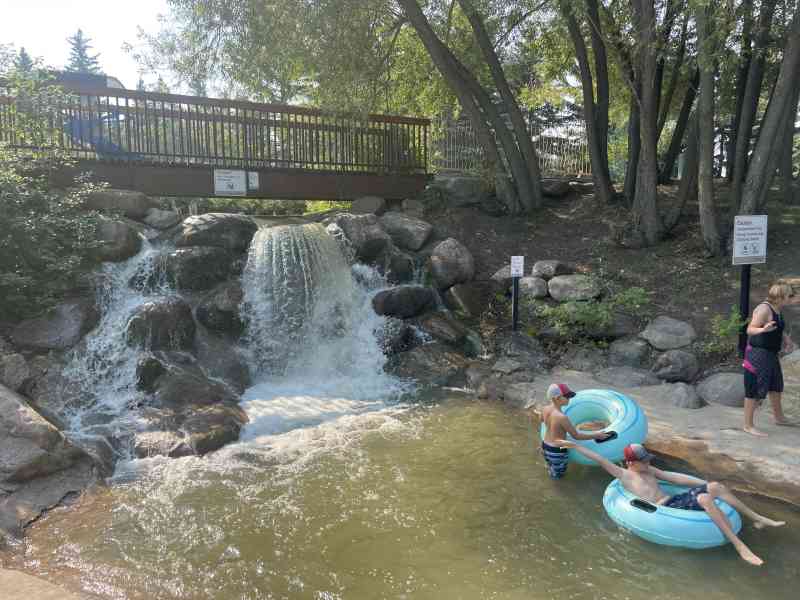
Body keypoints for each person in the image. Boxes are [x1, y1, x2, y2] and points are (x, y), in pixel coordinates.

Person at [556, 440, 785, 566]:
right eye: (644, 461)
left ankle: (758, 519)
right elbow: (599, 458)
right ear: (631, 462)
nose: (648, 463)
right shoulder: (624, 475)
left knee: (715, 487)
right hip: (666, 511)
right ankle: (740, 546)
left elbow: (675, 478)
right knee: (705, 498)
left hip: (675, 501)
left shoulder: (649, 469)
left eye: (647, 460)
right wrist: (575, 446)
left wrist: (703, 482)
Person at [743, 281, 798, 436]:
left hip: (771, 354)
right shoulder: (763, 309)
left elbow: (778, 327)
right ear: (780, 296)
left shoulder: (777, 308)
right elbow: (750, 330)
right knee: (754, 388)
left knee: (775, 386)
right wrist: (763, 329)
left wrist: (786, 339)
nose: (791, 299)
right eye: (789, 296)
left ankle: (779, 418)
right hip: (757, 354)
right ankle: (748, 425)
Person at [538, 383, 613, 479]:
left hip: (545, 445)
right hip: (557, 450)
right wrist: (596, 435)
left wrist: (555, 428)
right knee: (559, 476)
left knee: (551, 466)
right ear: (557, 398)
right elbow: (576, 436)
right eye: (567, 397)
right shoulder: (562, 417)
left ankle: (551, 472)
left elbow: (541, 420)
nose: (570, 399)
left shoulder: (545, 409)